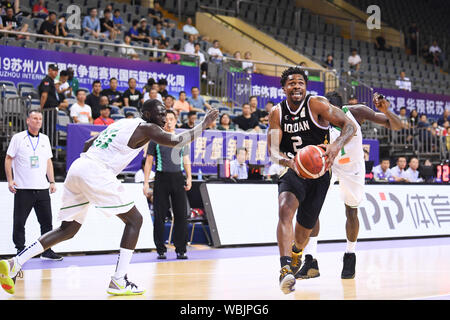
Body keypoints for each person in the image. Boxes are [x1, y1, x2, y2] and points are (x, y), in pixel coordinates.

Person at [0, 100, 218, 296]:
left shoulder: (122, 122)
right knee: (135, 220)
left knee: (67, 229)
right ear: (148, 115)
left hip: (79, 167)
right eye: (160, 114)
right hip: (96, 170)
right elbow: (177, 140)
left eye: (166, 114)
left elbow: (87, 144)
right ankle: (119, 280)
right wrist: (204, 124)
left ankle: (14, 263)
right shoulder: (148, 127)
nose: (164, 118)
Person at [266, 67, 356, 294]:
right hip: (293, 170)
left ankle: (297, 253)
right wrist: (290, 163)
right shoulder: (277, 113)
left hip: (319, 174)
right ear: (284, 87)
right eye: (291, 83)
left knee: (304, 230)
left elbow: (350, 126)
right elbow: (273, 151)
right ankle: (285, 269)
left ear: (305, 86)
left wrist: (336, 145)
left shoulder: (317, 104)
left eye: (300, 82)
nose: (296, 86)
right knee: (285, 209)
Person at [299, 91, 402, 280]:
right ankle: (311, 259)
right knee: (311, 207)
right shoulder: (316, 120)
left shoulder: (357, 112)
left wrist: (387, 111)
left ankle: (350, 254)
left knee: (351, 211)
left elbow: (397, 125)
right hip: (328, 164)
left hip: (352, 167)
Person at [4, 109, 62, 261]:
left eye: (40, 119)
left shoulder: (45, 139)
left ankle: (47, 250)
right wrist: (10, 180)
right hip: (23, 188)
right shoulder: (18, 138)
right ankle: (20, 250)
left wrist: (52, 181)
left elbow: (48, 161)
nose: (37, 121)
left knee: (46, 223)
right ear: (28, 120)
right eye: (34, 118)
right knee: (19, 222)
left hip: (42, 188)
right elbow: (8, 159)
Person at [143, 109, 198, 260]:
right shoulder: (155, 139)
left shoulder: (182, 139)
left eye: (171, 119)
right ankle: (161, 249)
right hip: (161, 179)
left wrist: (189, 177)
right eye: (166, 119)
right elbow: (149, 161)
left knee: (181, 215)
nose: (168, 122)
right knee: (160, 215)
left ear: (175, 121)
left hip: (178, 178)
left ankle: (181, 249)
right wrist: (146, 183)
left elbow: (186, 159)